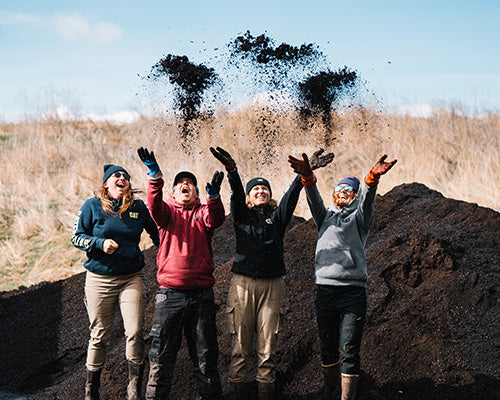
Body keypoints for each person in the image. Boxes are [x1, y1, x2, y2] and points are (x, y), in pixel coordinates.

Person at [210, 146, 334, 400]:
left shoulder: (277, 219)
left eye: (264, 188)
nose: (261, 191)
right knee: (240, 349)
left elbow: (290, 196)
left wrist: (304, 173)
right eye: (255, 188)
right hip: (243, 285)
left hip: (273, 286)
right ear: (249, 196)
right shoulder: (241, 217)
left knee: (268, 350)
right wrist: (232, 170)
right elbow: (234, 193)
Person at [287, 153, 397, 400]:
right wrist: (306, 176)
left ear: (355, 195)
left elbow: (368, 202)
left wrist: (370, 180)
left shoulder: (360, 219)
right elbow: (313, 198)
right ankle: (330, 392)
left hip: (352, 294)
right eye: (340, 188)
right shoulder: (324, 217)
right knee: (327, 348)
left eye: (349, 189)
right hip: (325, 292)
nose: (344, 191)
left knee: (349, 349)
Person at [137, 147, 226, 400]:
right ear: (174, 192)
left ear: (197, 192)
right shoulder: (166, 213)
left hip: (201, 297)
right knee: (161, 359)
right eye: (181, 184)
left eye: (190, 183)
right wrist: (154, 176)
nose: (185, 185)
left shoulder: (203, 212)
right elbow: (153, 205)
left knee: (206, 358)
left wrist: (215, 196)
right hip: (170, 297)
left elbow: (217, 218)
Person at [72, 164, 160, 400]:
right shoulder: (92, 206)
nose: (122, 179)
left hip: (131, 277)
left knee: (135, 331)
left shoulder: (138, 207)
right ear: (106, 183)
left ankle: (133, 389)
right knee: (99, 334)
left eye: (126, 176)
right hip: (99, 279)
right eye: (116, 176)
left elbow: (157, 233)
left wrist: (170, 252)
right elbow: (76, 238)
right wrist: (100, 244)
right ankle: (91, 390)